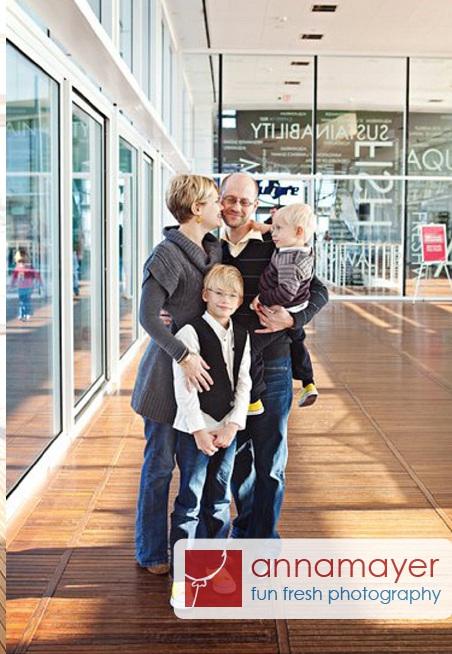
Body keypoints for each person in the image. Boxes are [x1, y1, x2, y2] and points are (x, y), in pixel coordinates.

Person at [216, 172, 329, 539]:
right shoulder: (207, 242)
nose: (236, 207)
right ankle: (246, 526)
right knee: (237, 458)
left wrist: (293, 318)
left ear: (255, 205)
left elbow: (320, 291)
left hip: (274, 362)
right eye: (230, 199)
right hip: (226, 363)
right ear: (219, 200)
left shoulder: (275, 242)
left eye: (245, 202)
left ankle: (263, 541)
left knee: (270, 459)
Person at [130, 174, 222, 576]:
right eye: (216, 201)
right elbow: (149, 316)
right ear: (197, 208)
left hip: (202, 381)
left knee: (196, 472)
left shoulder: (215, 250)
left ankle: (191, 551)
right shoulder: (166, 254)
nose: (222, 208)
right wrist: (183, 354)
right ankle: (151, 552)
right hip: (166, 380)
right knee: (160, 468)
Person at [169, 264, 251, 608]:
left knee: (218, 501)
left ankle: (214, 566)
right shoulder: (189, 332)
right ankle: (181, 577)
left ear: (240, 300)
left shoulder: (242, 334)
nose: (225, 300)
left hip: (226, 430)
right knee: (189, 501)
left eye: (232, 295)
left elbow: (243, 381)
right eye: (218, 293)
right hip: (195, 430)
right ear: (205, 295)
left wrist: (233, 425)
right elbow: (184, 389)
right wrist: (200, 431)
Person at [249, 204, 319, 408]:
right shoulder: (301, 248)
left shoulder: (289, 259)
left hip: (282, 309)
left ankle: (253, 399)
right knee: (298, 341)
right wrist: (258, 225)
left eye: (278, 228)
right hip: (296, 307)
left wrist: (263, 298)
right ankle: (308, 382)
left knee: (251, 349)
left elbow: (286, 293)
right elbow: (273, 230)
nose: (273, 232)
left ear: (298, 231)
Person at [10, 249, 42, 321]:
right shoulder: (18, 268)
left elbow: (36, 275)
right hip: (21, 288)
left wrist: (40, 282)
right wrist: (11, 285)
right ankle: (24, 313)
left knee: (25, 301)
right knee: (23, 301)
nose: (21, 262)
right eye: (20, 260)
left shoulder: (30, 267)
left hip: (28, 288)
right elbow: (14, 277)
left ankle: (25, 313)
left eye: (23, 260)